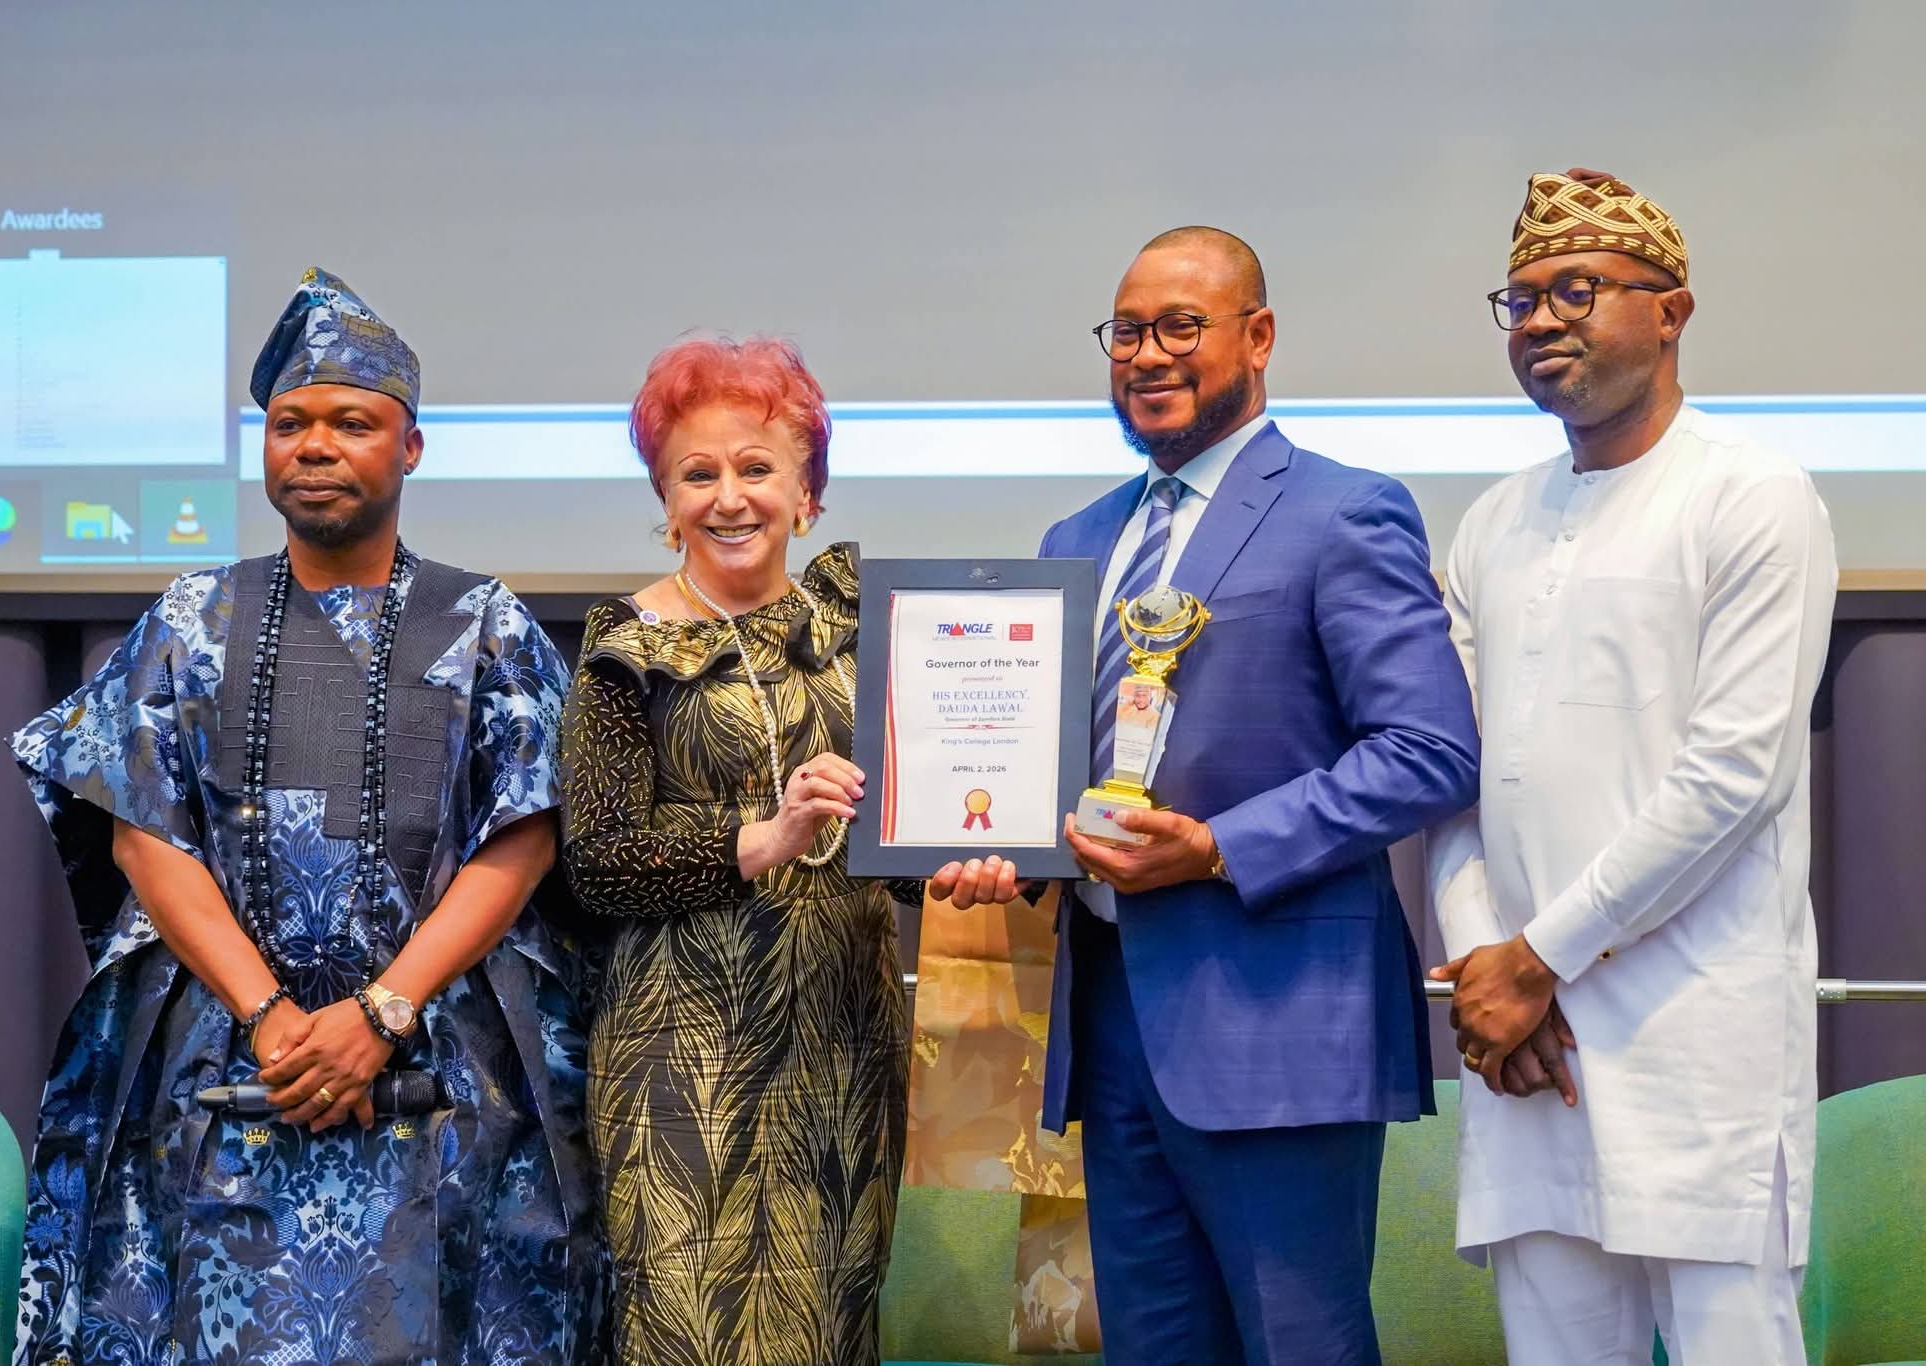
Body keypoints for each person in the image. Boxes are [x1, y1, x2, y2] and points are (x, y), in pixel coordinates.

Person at [9, 268, 608, 1364]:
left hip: (444, 1088)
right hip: (235, 1078)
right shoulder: (193, 617)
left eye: (351, 423)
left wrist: (380, 1014)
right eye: (290, 425)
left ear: (410, 447)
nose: (315, 446)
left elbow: (526, 834)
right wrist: (275, 1018)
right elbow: (142, 829)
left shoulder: (482, 622)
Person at [945, 227, 1480, 1362]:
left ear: (1259, 335)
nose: (1148, 354)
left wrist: (1218, 846)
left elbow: (1428, 749)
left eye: (1181, 326)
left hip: (1280, 1021)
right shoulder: (1076, 538)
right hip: (1112, 1021)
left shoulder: (1344, 510)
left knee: (1300, 1346)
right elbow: (1049, 764)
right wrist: (997, 838)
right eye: (1127, 332)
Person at [1427, 170, 1836, 1364]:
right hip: (1525, 1049)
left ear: (1670, 312)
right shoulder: (1492, 521)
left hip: (1692, 1041)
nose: (1540, 321)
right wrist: (1483, 970)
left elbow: (1732, 776)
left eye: (1577, 290)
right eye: (1519, 300)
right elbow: (1451, 774)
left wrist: (1534, 959)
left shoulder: (1750, 494)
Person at [559, 336, 1006, 1364]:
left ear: (807, 493)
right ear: (665, 499)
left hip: (841, 1045)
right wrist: (760, 840)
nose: (729, 497)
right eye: (697, 474)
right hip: (681, 1060)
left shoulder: (863, 633)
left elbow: (897, 835)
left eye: (756, 468)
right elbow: (598, 864)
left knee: (830, 1328)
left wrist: (966, 864)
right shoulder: (625, 647)